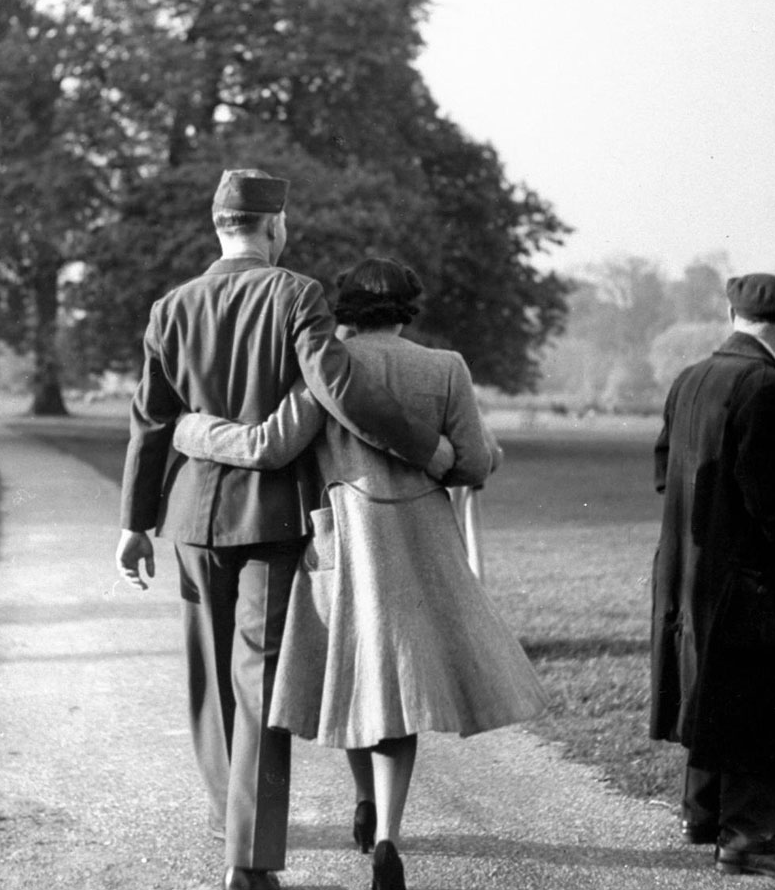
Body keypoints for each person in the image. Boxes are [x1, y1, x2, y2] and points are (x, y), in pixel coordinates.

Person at [114, 171, 454, 890]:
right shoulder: (296, 293)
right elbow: (341, 388)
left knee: (211, 685)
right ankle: (249, 860)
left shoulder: (170, 307)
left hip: (189, 517)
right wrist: (426, 446)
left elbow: (150, 420)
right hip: (269, 516)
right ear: (274, 226)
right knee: (259, 684)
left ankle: (234, 826)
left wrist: (134, 523)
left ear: (218, 226)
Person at [172, 257, 549, 890]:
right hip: (420, 542)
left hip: (343, 542)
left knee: (356, 680)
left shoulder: (324, 368)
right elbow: (472, 463)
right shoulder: (445, 367)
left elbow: (272, 446)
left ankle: (363, 801)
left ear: (342, 308)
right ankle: (386, 837)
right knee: (400, 689)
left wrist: (193, 432)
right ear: (409, 307)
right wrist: (473, 456)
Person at [650, 272, 775, 877]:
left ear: (731, 314)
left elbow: (663, 470)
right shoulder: (766, 386)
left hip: (687, 566)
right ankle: (751, 836)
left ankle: (701, 815)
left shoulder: (690, 378)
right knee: (761, 695)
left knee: (707, 683)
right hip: (747, 572)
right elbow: (774, 497)